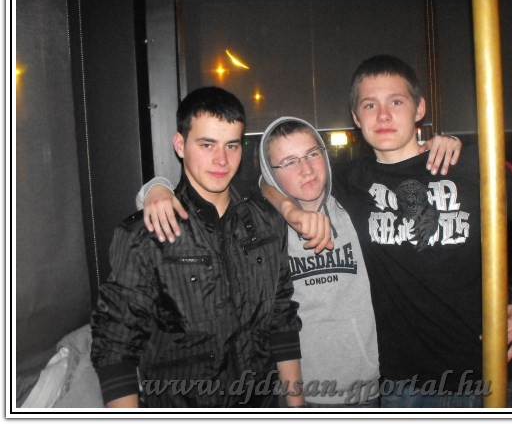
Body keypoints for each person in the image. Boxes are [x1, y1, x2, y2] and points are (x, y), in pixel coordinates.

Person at [289, 54, 512, 407]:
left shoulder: (467, 164)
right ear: (356, 118)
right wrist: (289, 209)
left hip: (489, 374)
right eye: (370, 105)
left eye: (396, 101)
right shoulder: (348, 181)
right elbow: (270, 180)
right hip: (404, 386)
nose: (383, 115)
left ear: (419, 108)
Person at [136, 116, 461, 406]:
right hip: (298, 392)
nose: (306, 169)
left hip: (367, 386)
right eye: (289, 162)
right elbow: (213, 202)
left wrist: (438, 144)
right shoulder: (260, 227)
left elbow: (402, 178)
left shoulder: (356, 206)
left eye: (311, 154)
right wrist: (156, 189)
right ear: (270, 173)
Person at [90, 87, 303, 408]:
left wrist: (296, 407)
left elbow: (281, 319)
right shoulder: (145, 234)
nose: (222, 160)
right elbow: (115, 346)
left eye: (232, 145)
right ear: (180, 145)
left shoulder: (266, 222)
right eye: (207, 145)